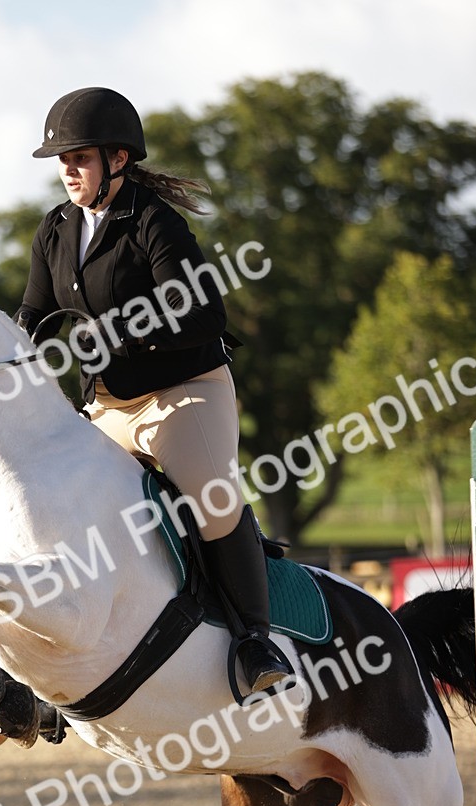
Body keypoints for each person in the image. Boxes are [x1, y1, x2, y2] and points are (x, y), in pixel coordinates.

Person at [16, 87, 291, 694]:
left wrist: (120, 338)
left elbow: (204, 316)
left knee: (212, 499)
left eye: (79, 158)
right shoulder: (55, 230)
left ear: (117, 160)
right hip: (109, 404)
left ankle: (255, 643)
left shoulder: (153, 221)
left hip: (183, 391)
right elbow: (33, 313)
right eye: (62, 160)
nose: (67, 170)